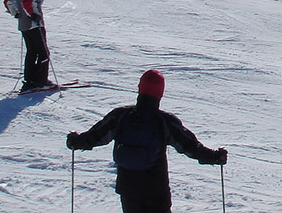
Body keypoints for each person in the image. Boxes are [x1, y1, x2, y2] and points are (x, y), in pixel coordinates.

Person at [67, 70, 227, 213]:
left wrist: (76, 141)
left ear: (140, 88)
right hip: (156, 188)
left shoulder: (120, 116)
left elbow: (96, 136)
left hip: (128, 188)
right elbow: (189, 146)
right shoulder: (165, 121)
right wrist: (214, 157)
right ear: (160, 93)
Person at [3, 0, 53, 91]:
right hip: (34, 25)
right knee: (43, 53)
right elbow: (27, 2)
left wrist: (16, 13)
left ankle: (29, 80)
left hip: (23, 25)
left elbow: (8, 1)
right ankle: (41, 81)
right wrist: (33, 15)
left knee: (31, 52)